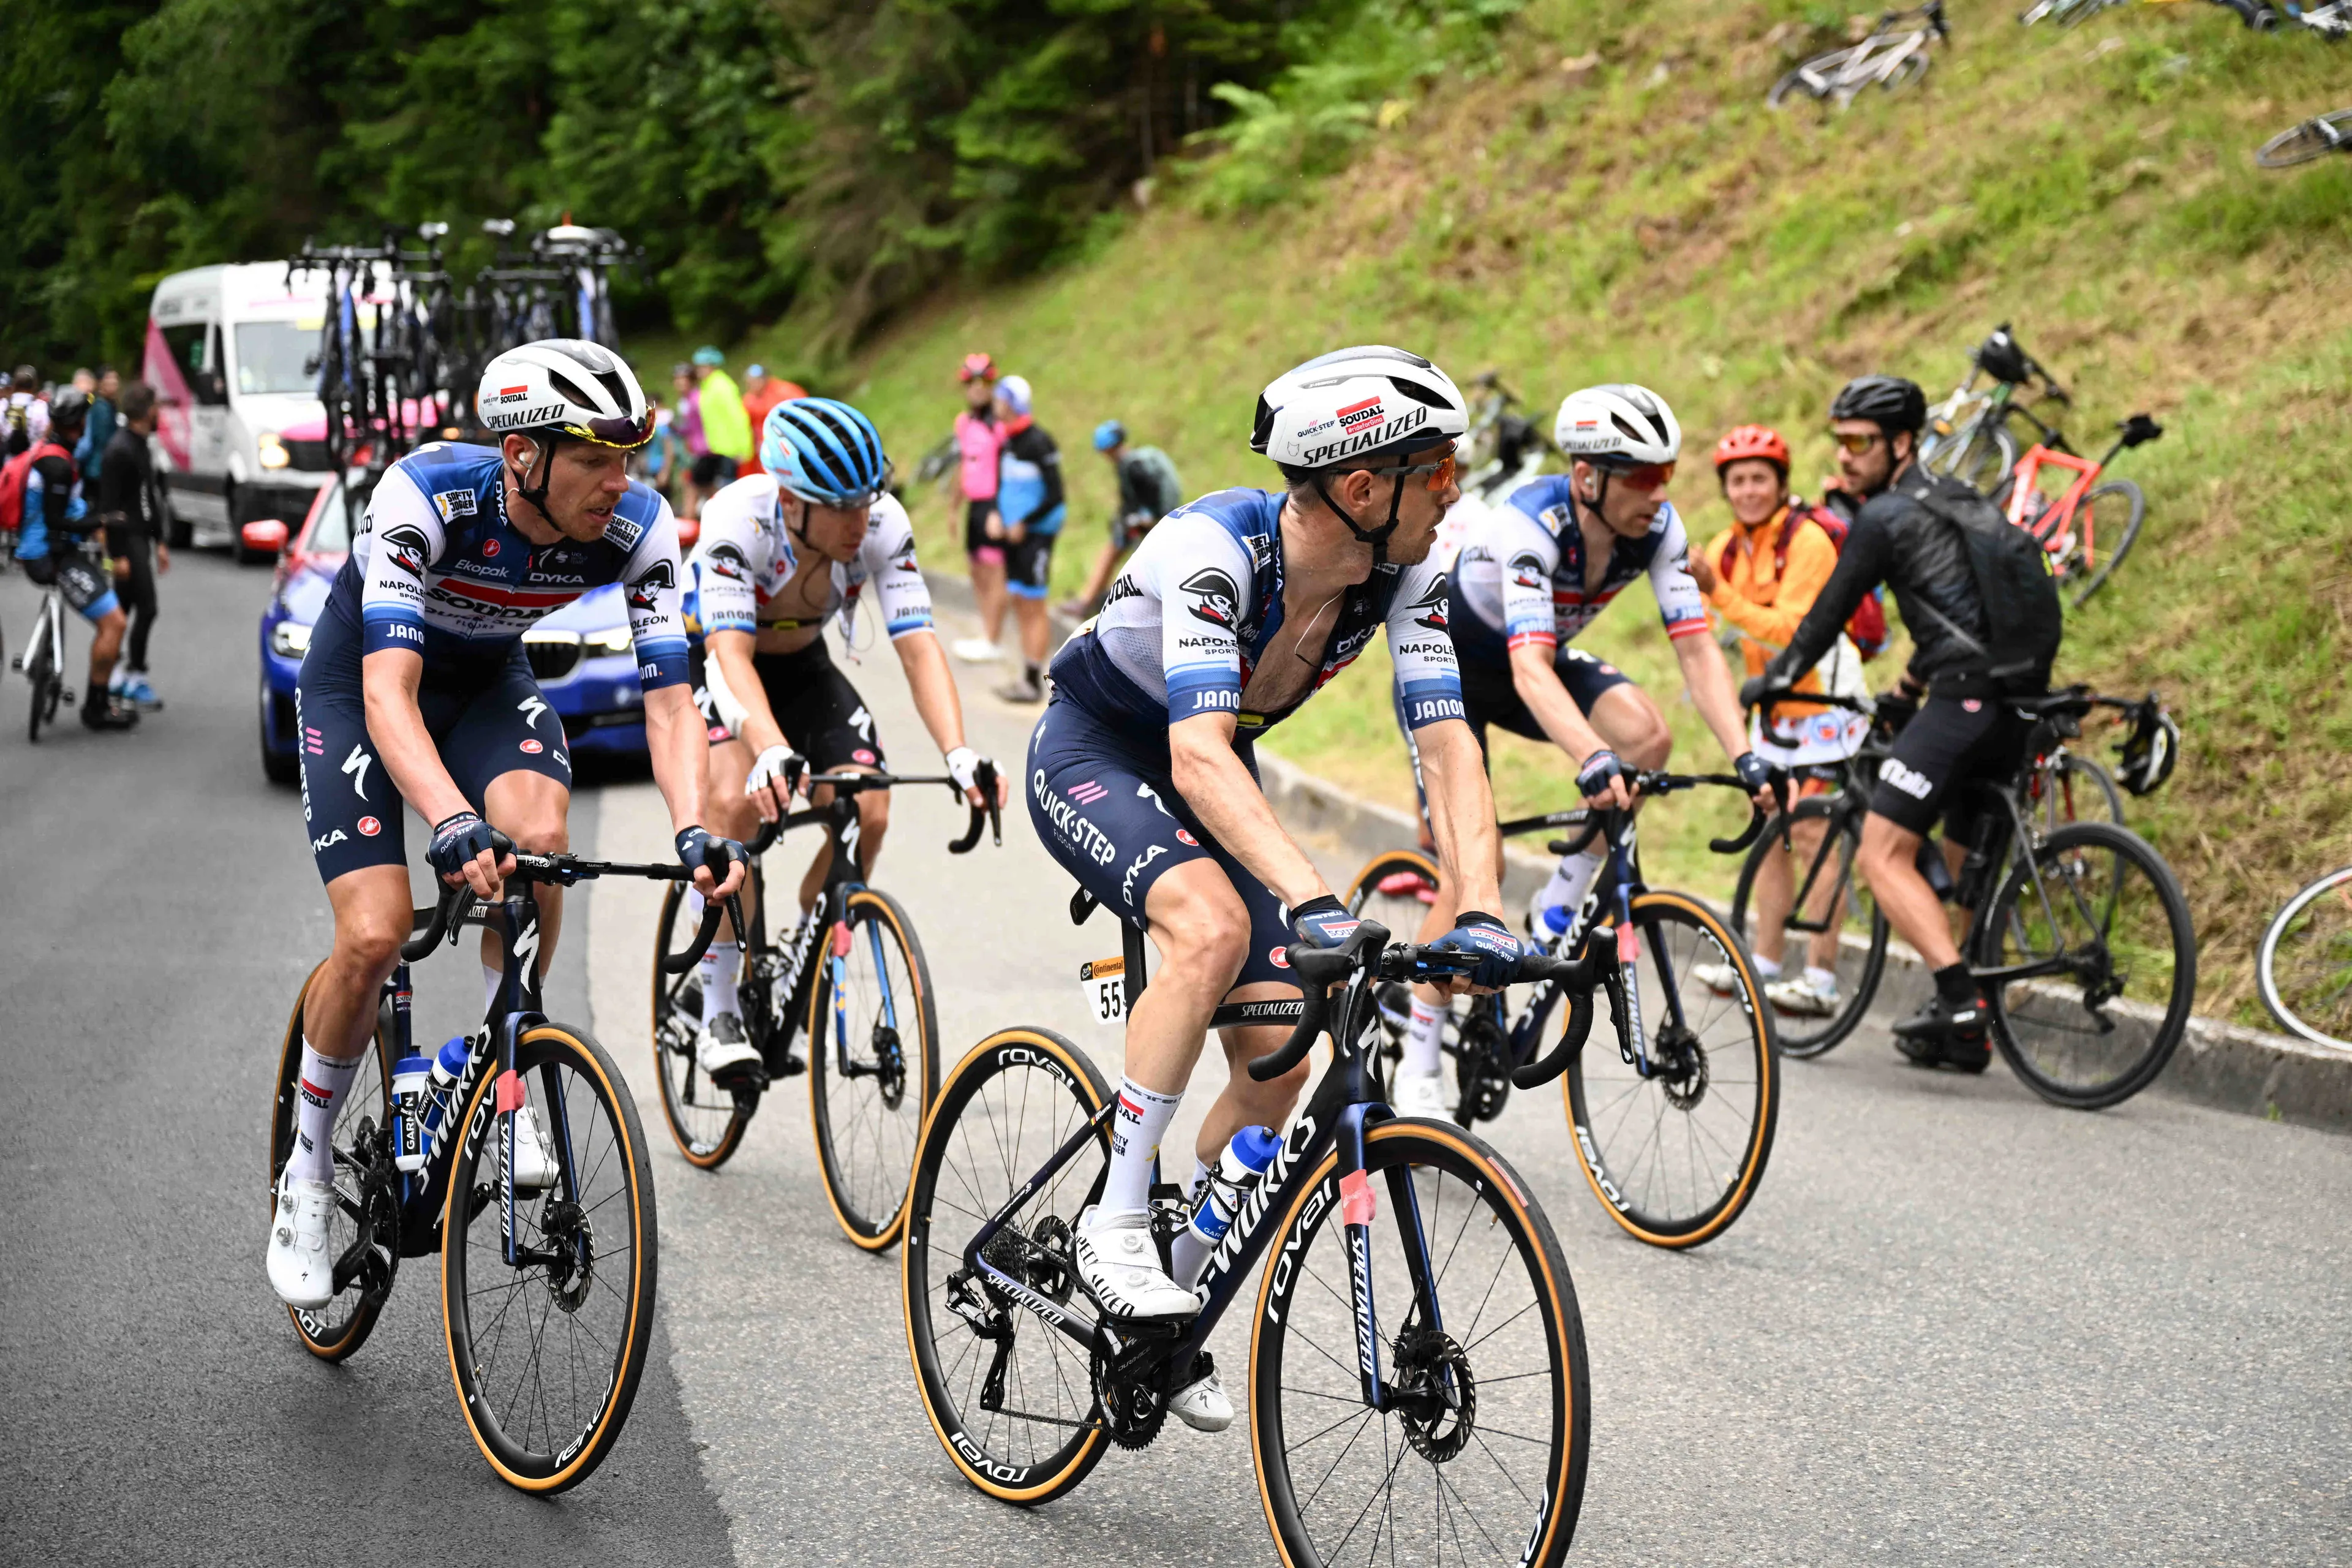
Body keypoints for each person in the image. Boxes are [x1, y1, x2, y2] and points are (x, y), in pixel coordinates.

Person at [1031, 345, 1520, 1431]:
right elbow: (1199, 754)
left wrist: (1481, 906)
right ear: (1361, 487)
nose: (1455, 493)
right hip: (1104, 750)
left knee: (1279, 1060)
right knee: (1205, 928)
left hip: (1212, 765)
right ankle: (1116, 1220)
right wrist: (1312, 898)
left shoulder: (1408, 571)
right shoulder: (1214, 548)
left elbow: (1449, 748)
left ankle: (1180, 1279)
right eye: (1438, 471)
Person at [265, 339, 747, 1310]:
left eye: (631, 455)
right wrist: (445, 819)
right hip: (364, 690)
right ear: (523, 455)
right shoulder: (426, 497)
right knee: (373, 933)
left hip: (488, 684)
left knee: (542, 844)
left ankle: (503, 1056)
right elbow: (388, 691)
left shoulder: (641, 529)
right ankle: (306, 1177)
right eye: (596, 458)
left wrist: (695, 829)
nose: (623, 480)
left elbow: (668, 705)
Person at [1392, 383, 1776, 1121]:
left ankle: (1561, 899)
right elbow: (1530, 668)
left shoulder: (1657, 529)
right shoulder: (1532, 524)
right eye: (1641, 477)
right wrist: (1590, 759)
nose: (1658, 492)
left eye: (1665, 475)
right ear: (1588, 476)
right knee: (1474, 867)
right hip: (1453, 671)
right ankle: (1419, 1051)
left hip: (1531, 662)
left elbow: (1696, 649)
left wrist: (1746, 754)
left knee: (1646, 737)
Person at [679, 398, 1009, 1081]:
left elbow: (918, 646)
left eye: (867, 501)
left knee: (869, 806)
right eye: (841, 508)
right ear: (793, 502)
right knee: (736, 807)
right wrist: (769, 749)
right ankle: (714, 1005)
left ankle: (801, 940)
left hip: (803, 664)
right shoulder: (738, 520)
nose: (860, 521)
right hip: (718, 659)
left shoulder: (882, 524)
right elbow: (731, 658)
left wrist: (958, 753)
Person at [1743, 375, 2053, 1074]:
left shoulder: (1883, 517)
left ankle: (1959, 998)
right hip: (2018, 703)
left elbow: (1824, 620)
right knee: (1953, 857)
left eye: (1860, 442)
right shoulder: (1963, 500)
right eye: (1840, 442)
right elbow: (1960, 613)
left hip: (1966, 700)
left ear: (1903, 443)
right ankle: (1960, 1026)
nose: (1846, 456)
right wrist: (1909, 686)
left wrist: (1772, 680)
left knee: (1882, 850)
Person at [10, 388, 139, 730]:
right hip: (50, 558)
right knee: (115, 623)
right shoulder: (58, 466)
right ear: (80, 423)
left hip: (38, 551)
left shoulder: (49, 451)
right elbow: (57, 522)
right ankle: (96, 707)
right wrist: (103, 521)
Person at [1057, 418, 1183, 620]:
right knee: (1117, 555)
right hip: (1153, 521)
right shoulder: (1135, 461)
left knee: (1114, 555)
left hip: (1148, 523)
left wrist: (1135, 519)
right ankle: (1095, 602)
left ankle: (1091, 603)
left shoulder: (1131, 466)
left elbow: (1143, 498)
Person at [989, 375, 1064, 704]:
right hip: (1013, 536)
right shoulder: (1007, 440)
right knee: (1020, 602)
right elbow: (1003, 485)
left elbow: (1055, 495)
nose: (995, 405)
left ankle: (1036, 682)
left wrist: (1026, 524)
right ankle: (1026, 677)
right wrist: (995, 513)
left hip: (1035, 537)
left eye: (1000, 399)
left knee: (1034, 605)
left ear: (1012, 403)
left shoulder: (1039, 442)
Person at [97, 380, 170, 710]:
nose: (160, 414)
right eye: (156, 407)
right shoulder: (119, 450)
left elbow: (148, 498)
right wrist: (116, 555)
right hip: (127, 541)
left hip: (141, 537)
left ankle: (112, 677)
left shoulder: (141, 444)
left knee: (124, 612)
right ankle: (135, 676)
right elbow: (109, 508)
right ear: (146, 411)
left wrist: (161, 541)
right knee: (147, 608)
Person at [948, 353, 1009, 665]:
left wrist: (1003, 509)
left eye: (982, 382)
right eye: (970, 383)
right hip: (974, 505)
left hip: (994, 505)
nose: (976, 388)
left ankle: (994, 639)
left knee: (995, 571)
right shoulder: (964, 422)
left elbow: (1008, 466)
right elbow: (964, 464)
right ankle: (986, 634)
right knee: (977, 571)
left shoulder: (999, 423)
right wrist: (952, 507)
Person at [736, 364, 803, 477]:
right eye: (750, 382)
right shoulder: (749, 399)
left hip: (785, 443)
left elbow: (801, 413)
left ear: (765, 379)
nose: (752, 385)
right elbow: (744, 427)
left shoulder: (785, 391)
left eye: (755, 381)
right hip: (762, 448)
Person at [693, 347, 752, 466]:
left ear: (713, 366)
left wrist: (745, 449)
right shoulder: (708, 386)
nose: (699, 370)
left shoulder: (722, 386)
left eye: (703, 366)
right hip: (717, 449)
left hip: (731, 451)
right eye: (698, 366)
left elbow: (737, 416)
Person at [77, 367, 118, 486]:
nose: (115, 383)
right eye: (110, 379)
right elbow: (102, 440)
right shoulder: (101, 409)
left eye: (116, 379)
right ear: (100, 384)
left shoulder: (107, 406)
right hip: (98, 470)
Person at [672, 363, 706, 458]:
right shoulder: (683, 401)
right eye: (677, 379)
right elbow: (687, 427)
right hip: (693, 449)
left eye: (683, 379)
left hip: (706, 449)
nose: (679, 383)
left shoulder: (699, 398)